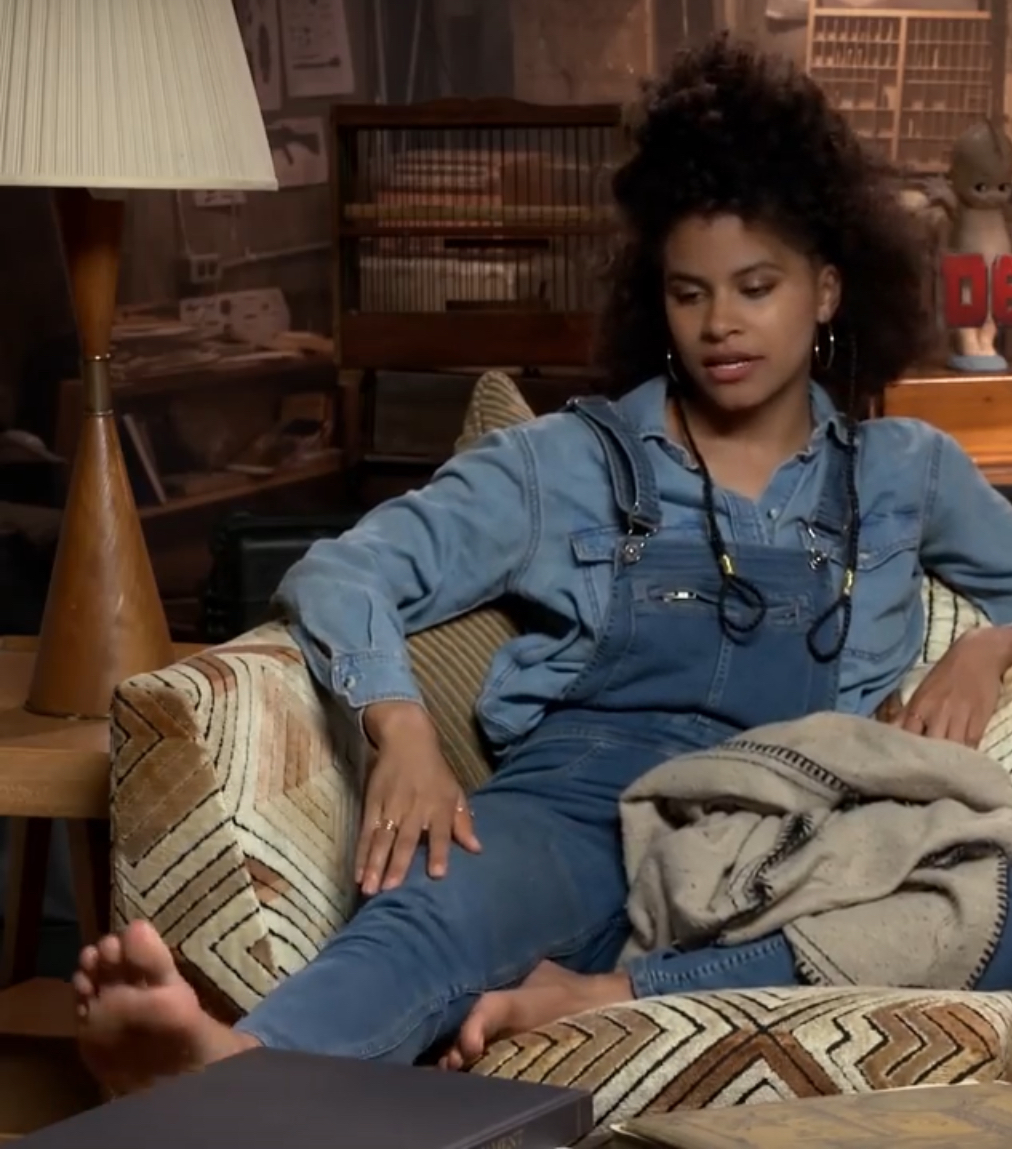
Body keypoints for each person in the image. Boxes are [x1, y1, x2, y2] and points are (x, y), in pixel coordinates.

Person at [76, 35, 1012, 1095]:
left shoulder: (904, 470)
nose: (721, 325)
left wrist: (987, 646)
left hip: (791, 825)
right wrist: (401, 728)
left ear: (828, 291)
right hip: (579, 806)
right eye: (689, 292)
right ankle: (226, 1071)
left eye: (756, 287)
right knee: (443, 896)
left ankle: (609, 995)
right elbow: (349, 569)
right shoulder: (566, 460)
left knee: (985, 898)